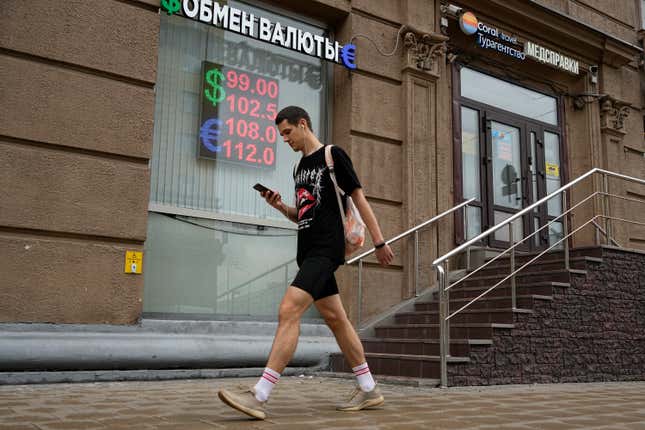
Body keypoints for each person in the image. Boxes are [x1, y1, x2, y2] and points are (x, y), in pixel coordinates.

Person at [218, 106, 394, 420]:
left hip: (327, 250)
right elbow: (303, 215)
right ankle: (369, 389)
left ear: (303, 124)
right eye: (281, 135)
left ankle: (260, 394)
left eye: (287, 132)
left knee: (288, 310)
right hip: (308, 252)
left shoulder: (332, 155)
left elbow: (359, 198)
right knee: (337, 319)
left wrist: (380, 241)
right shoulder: (299, 168)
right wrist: (281, 206)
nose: (285, 139)